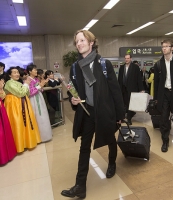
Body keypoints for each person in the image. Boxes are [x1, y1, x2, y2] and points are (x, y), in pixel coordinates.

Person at [61, 30, 125, 199]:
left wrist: (120, 114)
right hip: (87, 111)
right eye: (77, 41)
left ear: (91, 43)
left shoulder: (103, 64)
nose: (79, 44)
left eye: (82, 40)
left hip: (105, 111)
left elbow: (115, 91)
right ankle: (80, 186)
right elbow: (73, 89)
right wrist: (73, 100)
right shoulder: (75, 66)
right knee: (84, 147)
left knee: (110, 139)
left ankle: (111, 163)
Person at [4, 67, 41, 152]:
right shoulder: (9, 83)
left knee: (25, 123)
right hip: (14, 106)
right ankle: (19, 145)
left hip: (22, 104)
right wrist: (26, 84)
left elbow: (26, 93)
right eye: (14, 72)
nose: (17, 74)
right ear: (10, 75)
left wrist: (25, 86)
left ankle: (26, 142)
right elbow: (20, 93)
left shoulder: (18, 82)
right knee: (18, 123)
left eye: (17, 72)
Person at [26, 64, 53, 142]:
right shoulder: (28, 80)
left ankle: (45, 135)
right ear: (30, 71)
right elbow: (29, 93)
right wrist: (39, 86)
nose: (36, 71)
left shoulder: (36, 79)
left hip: (39, 98)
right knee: (37, 116)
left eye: (36, 69)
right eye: (34, 70)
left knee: (43, 115)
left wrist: (42, 85)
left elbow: (40, 89)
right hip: (33, 100)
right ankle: (38, 137)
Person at [118, 54, 144, 125]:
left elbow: (139, 79)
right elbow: (119, 79)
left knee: (130, 104)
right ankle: (123, 117)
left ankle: (129, 119)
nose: (126, 60)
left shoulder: (135, 67)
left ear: (131, 59)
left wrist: (141, 89)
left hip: (132, 88)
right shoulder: (122, 67)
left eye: (128, 58)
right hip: (123, 89)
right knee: (124, 104)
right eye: (125, 58)